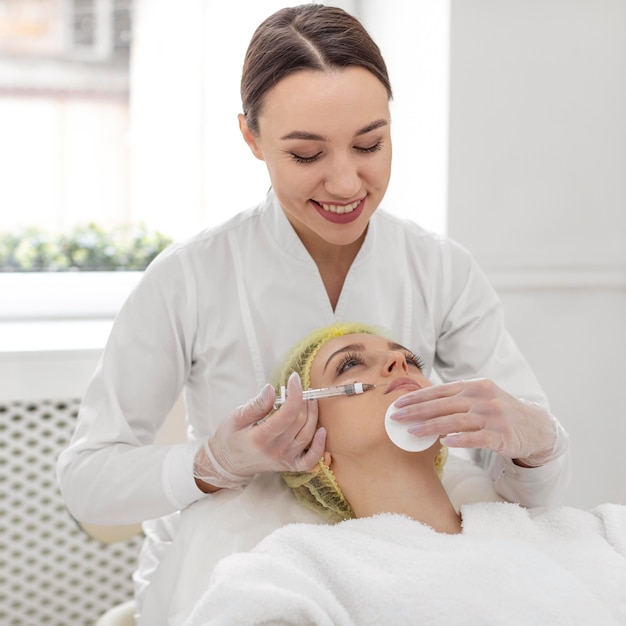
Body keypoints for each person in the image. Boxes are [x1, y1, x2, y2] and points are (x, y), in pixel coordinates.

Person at [56, 4, 571, 621]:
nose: (347, 183)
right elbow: (87, 478)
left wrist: (534, 443)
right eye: (306, 155)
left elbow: (526, 496)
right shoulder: (189, 277)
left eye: (369, 144)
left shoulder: (439, 270)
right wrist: (210, 465)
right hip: (232, 564)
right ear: (251, 138)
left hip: (415, 567)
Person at [181, 323, 625, 626]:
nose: (400, 365)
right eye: (349, 365)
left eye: (409, 359)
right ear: (307, 442)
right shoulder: (302, 567)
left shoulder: (593, 532)